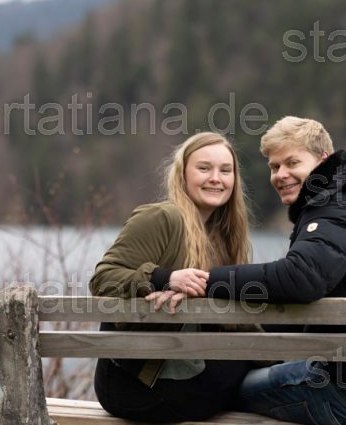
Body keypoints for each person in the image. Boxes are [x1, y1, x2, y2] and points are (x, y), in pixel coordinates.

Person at [153, 116, 346, 425]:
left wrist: (206, 281)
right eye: (274, 167)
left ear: (323, 159)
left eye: (292, 163)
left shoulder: (336, 208)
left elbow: (301, 278)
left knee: (223, 391)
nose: (281, 175)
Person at [88, 132, 253, 423]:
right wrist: (165, 278)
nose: (216, 178)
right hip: (135, 384)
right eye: (204, 168)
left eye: (225, 171)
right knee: (258, 370)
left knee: (260, 367)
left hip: (183, 371)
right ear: (182, 174)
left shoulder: (223, 236)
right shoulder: (161, 218)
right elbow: (103, 279)